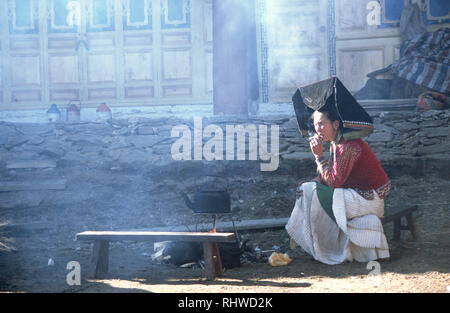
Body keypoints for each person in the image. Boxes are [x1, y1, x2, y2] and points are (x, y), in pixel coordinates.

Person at [286, 108, 391, 265]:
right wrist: (314, 181)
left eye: (322, 124)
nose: (318, 129)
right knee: (307, 188)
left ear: (335, 124)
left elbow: (334, 183)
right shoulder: (338, 142)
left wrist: (318, 156)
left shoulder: (347, 145)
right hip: (358, 194)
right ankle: (316, 243)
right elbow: (331, 176)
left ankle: (321, 246)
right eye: (316, 125)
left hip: (370, 199)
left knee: (310, 191)